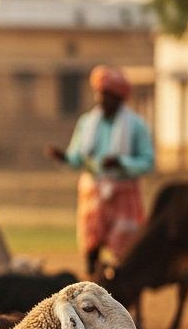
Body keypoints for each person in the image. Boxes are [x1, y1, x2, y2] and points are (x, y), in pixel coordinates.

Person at [45, 65, 154, 276]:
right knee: (90, 248)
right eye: (99, 93)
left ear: (119, 98)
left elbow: (148, 161)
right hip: (93, 193)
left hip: (124, 194)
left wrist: (122, 164)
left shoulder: (136, 126)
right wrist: (64, 157)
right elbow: (78, 158)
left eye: (106, 95)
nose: (100, 99)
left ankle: (123, 299)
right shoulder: (87, 123)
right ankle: (92, 291)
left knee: (124, 253)